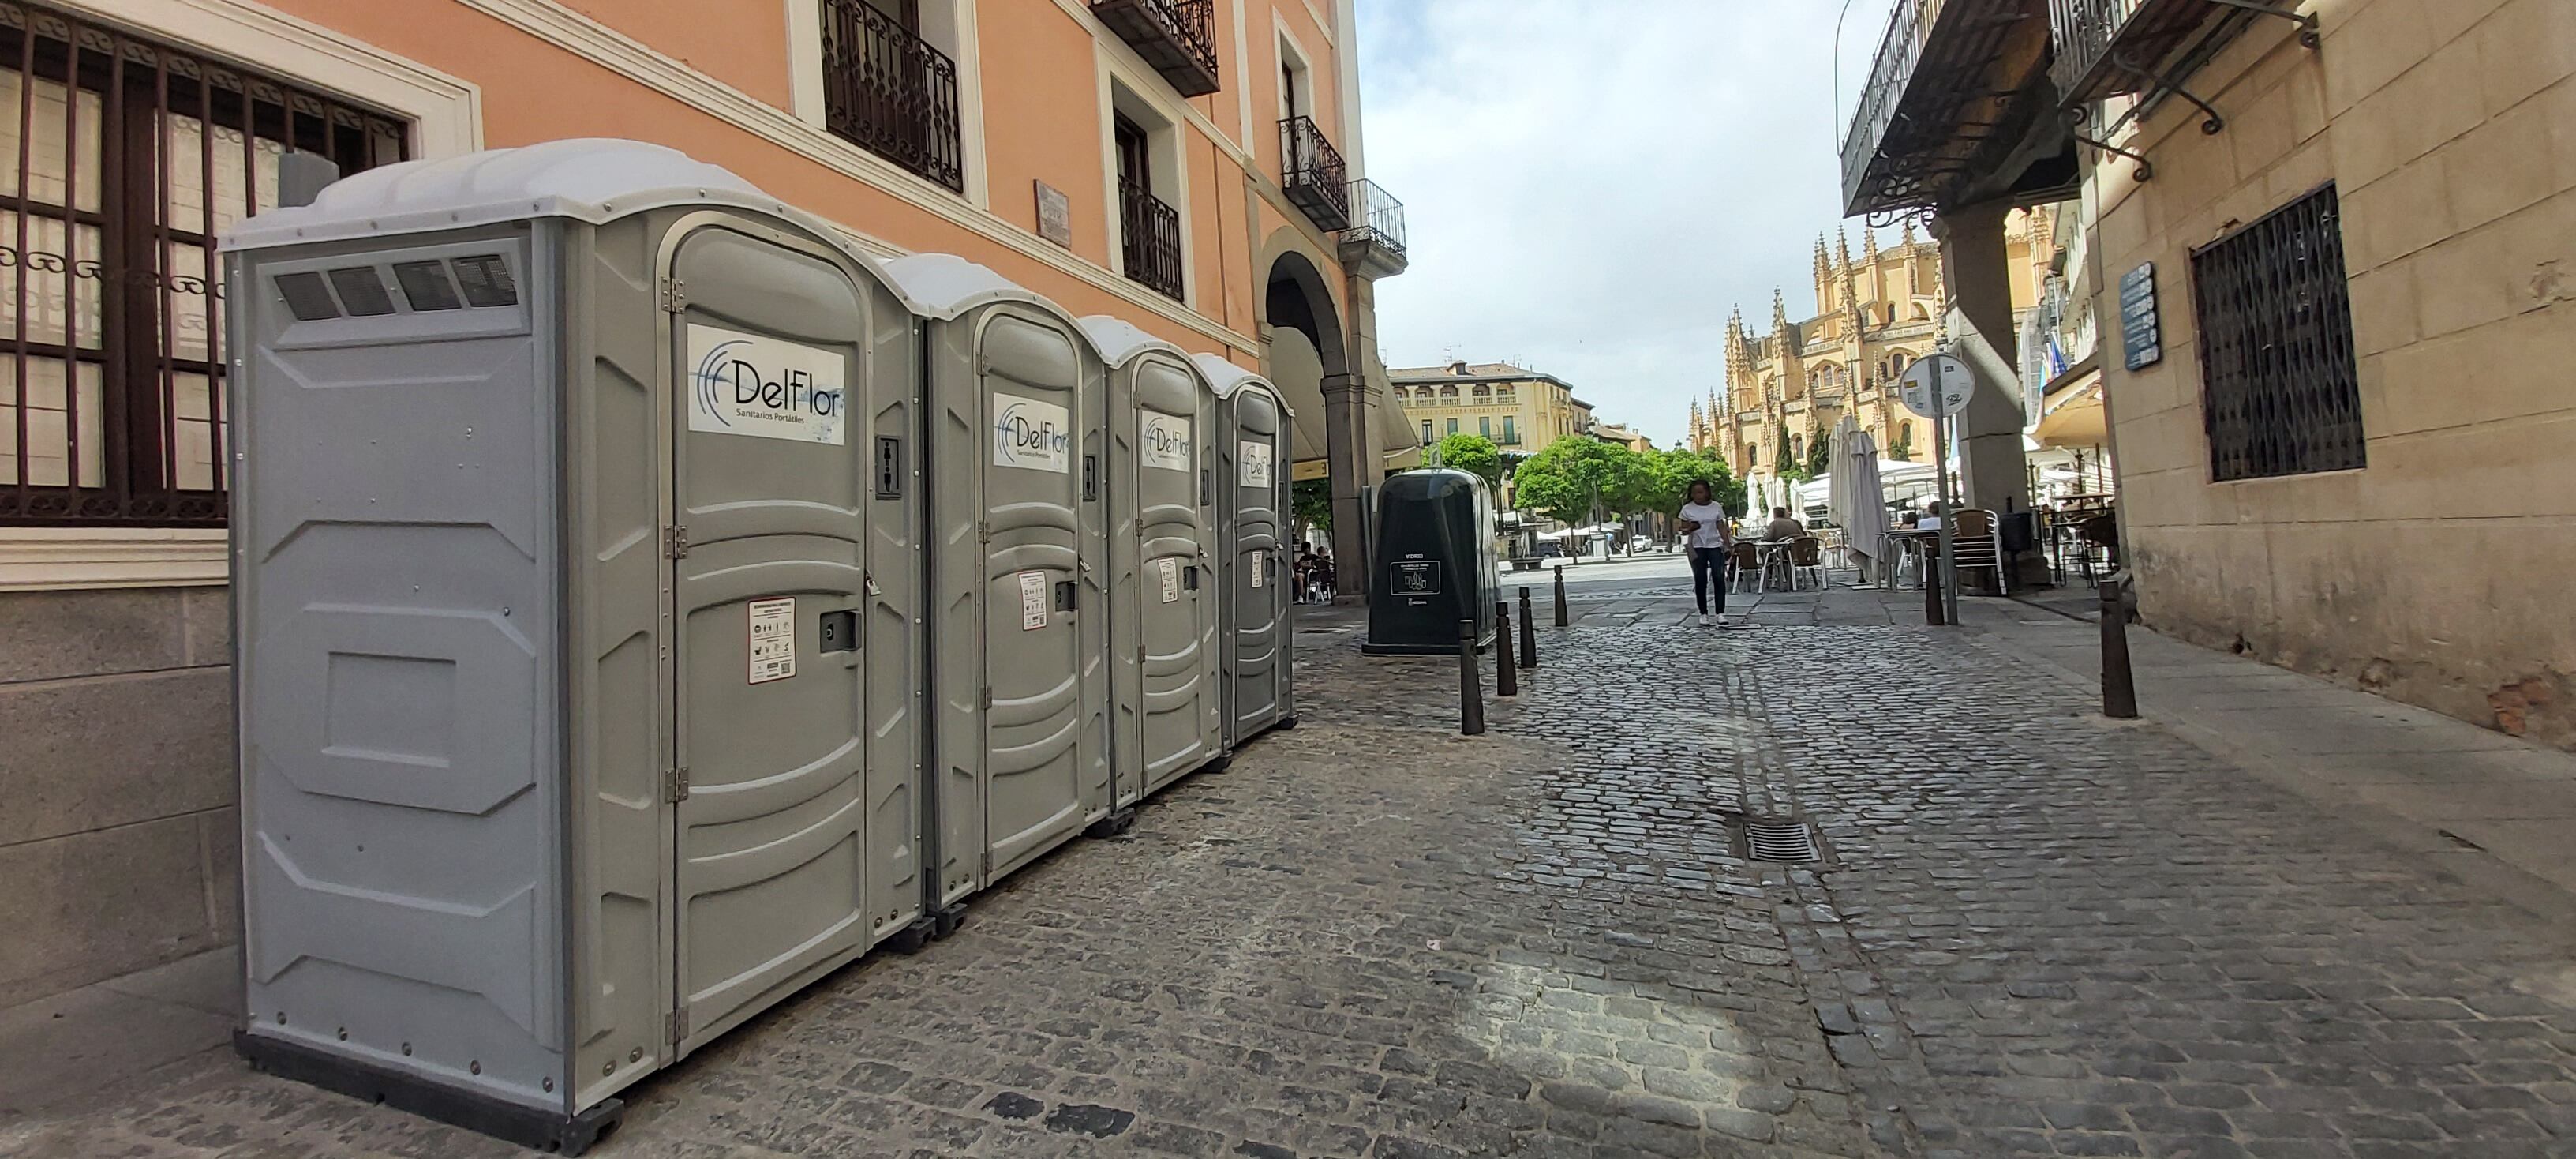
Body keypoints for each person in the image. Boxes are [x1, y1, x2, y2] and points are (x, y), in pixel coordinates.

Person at [1678, 481, 1732, 628]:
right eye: (1694, 493)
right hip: (1697, 547)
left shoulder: (1716, 507)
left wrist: (1728, 545)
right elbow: (1682, 530)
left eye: (1700, 492)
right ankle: (1703, 613)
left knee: (1719, 577)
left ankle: (1720, 613)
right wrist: (1690, 527)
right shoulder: (1687, 509)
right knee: (1700, 580)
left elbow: (1721, 527)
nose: (1697, 495)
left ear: (1707, 492)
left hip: (1714, 545)